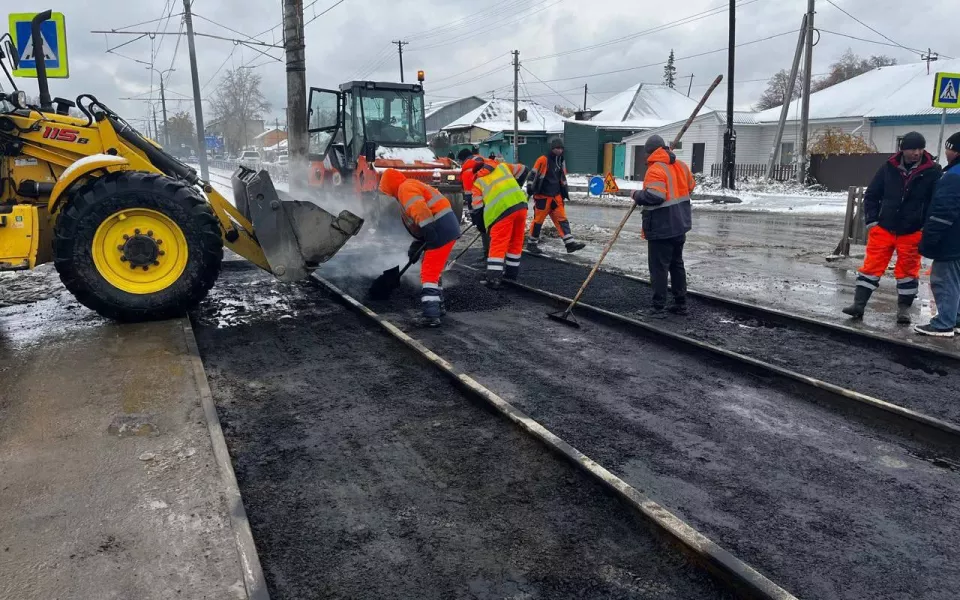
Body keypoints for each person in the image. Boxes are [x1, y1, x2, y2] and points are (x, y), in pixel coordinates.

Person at [843, 132, 943, 324]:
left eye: (920, 148)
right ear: (903, 149)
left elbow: (935, 202)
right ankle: (858, 305)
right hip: (884, 228)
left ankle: (903, 310)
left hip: (912, 231)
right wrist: (872, 221)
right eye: (912, 149)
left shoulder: (933, 171)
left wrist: (925, 227)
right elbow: (872, 195)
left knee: (908, 272)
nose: (917, 153)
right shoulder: (888, 167)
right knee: (870, 268)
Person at [379, 168, 461, 327]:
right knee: (433, 270)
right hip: (443, 228)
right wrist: (417, 244)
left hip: (440, 229)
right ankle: (438, 307)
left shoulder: (405, 188)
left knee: (429, 273)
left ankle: (431, 315)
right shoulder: (409, 186)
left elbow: (420, 210)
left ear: (390, 185)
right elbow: (421, 220)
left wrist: (428, 231)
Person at [630, 135, 694, 316]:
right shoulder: (681, 165)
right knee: (676, 264)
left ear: (650, 152)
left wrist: (636, 194)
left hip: (662, 226)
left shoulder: (655, 169)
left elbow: (655, 196)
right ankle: (680, 303)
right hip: (680, 224)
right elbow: (690, 186)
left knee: (659, 267)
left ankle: (658, 306)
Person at [915, 132, 960, 337]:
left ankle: (944, 324)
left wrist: (930, 238)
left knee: (944, 280)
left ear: (956, 151)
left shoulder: (953, 176)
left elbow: (943, 211)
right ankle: (956, 319)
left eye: (949, 148)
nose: (946, 152)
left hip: (951, 239)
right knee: (956, 280)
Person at [462, 156, 530, 288]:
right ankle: (511, 274)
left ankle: (493, 279)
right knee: (516, 241)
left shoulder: (478, 182)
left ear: (475, 172)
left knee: (498, 244)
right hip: (521, 206)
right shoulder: (502, 167)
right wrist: (518, 184)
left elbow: (477, 209)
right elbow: (524, 169)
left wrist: (481, 226)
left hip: (501, 213)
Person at [526, 138, 586, 254]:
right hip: (543, 196)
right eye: (557, 148)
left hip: (556, 196)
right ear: (552, 148)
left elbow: (562, 177)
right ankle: (531, 244)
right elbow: (533, 174)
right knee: (538, 221)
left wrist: (563, 192)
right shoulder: (543, 160)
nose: (559, 150)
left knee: (562, 219)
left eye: (561, 148)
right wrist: (530, 187)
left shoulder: (561, 160)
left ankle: (570, 244)